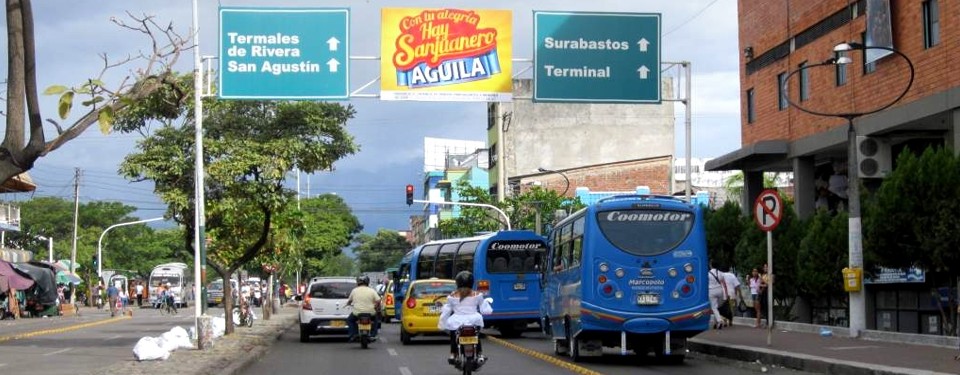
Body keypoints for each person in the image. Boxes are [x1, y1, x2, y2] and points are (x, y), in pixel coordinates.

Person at [438, 271, 493, 365]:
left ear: (457, 282)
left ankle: (453, 354)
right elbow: (485, 310)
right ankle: (479, 354)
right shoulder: (477, 295)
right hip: (474, 320)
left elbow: (446, 311)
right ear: (471, 282)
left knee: (453, 335)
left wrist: (442, 323)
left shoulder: (452, 296)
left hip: (457, 321)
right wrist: (488, 303)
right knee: (477, 336)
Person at [346, 275, 381, 342]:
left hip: (357, 313)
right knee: (376, 320)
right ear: (367, 282)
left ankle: (353, 334)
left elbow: (349, 301)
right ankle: (373, 334)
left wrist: (349, 304)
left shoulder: (354, 291)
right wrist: (376, 306)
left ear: (358, 282)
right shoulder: (372, 290)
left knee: (350, 320)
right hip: (370, 312)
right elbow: (378, 301)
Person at [707, 262, 729, 330]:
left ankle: (720, 321)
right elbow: (724, 283)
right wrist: (726, 293)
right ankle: (716, 323)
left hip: (711, 291)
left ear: (711, 265)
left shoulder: (708, 274)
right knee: (717, 307)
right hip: (720, 290)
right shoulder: (721, 273)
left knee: (714, 307)